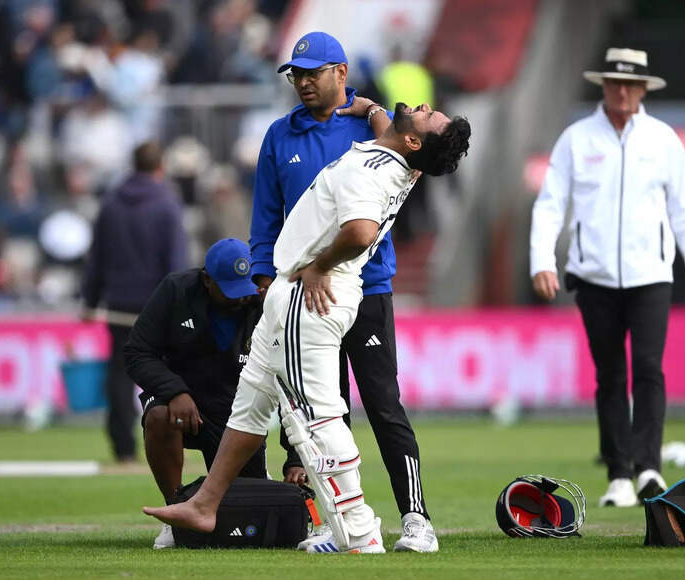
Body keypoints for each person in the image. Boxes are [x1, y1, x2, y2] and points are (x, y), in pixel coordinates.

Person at [143, 103, 471, 554]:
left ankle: (359, 531)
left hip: (312, 294)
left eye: (429, 116)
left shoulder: (372, 171)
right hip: (298, 291)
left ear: (413, 139)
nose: (424, 106)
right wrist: (371, 108)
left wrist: (319, 265)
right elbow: (389, 130)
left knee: (319, 417)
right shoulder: (399, 157)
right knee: (250, 405)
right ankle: (206, 503)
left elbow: (360, 231)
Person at [247, 30, 438, 552]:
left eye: (314, 73)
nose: (303, 82)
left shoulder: (373, 125)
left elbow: (411, 159)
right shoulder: (279, 136)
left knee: (383, 404)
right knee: (320, 412)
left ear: (341, 73)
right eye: (297, 75)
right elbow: (266, 217)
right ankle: (336, 524)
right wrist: (265, 281)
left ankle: (416, 519)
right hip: (303, 293)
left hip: (367, 286)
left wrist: (373, 110)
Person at [529, 48, 685, 507]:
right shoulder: (577, 139)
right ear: (604, 85)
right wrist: (541, 261)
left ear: (644, 89)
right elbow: (550, 203)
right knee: (610, 374)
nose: (624, 91)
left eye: (632, 84)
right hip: (594, 277)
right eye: (616, 82)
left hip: (651, 274)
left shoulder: (663, 139)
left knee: (649, 369)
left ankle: (649, 467)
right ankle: (619, 475)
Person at [124, 238, 267, 550]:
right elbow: (137, 352)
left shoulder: (261, 299)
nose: (240, 298)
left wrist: (294, 459)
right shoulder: (175, 291)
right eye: (229, 290)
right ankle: (176, 512)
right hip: (182, 406)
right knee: (160, 415)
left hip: (236, 413)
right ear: (206, 280)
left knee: (246, 518)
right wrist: (175, 391)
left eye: (244, 289)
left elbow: (289, 378)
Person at [82, 141, 188, 463]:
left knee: (119, 373)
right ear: (161, 167)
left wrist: (90, 300)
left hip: (118, 305)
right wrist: (181, 305)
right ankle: (170, 443)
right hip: (156, 306)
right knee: (166, 374)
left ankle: (123, 447)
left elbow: (96, 258)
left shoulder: (111, 203)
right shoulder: (167, 203)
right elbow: (176, 261)